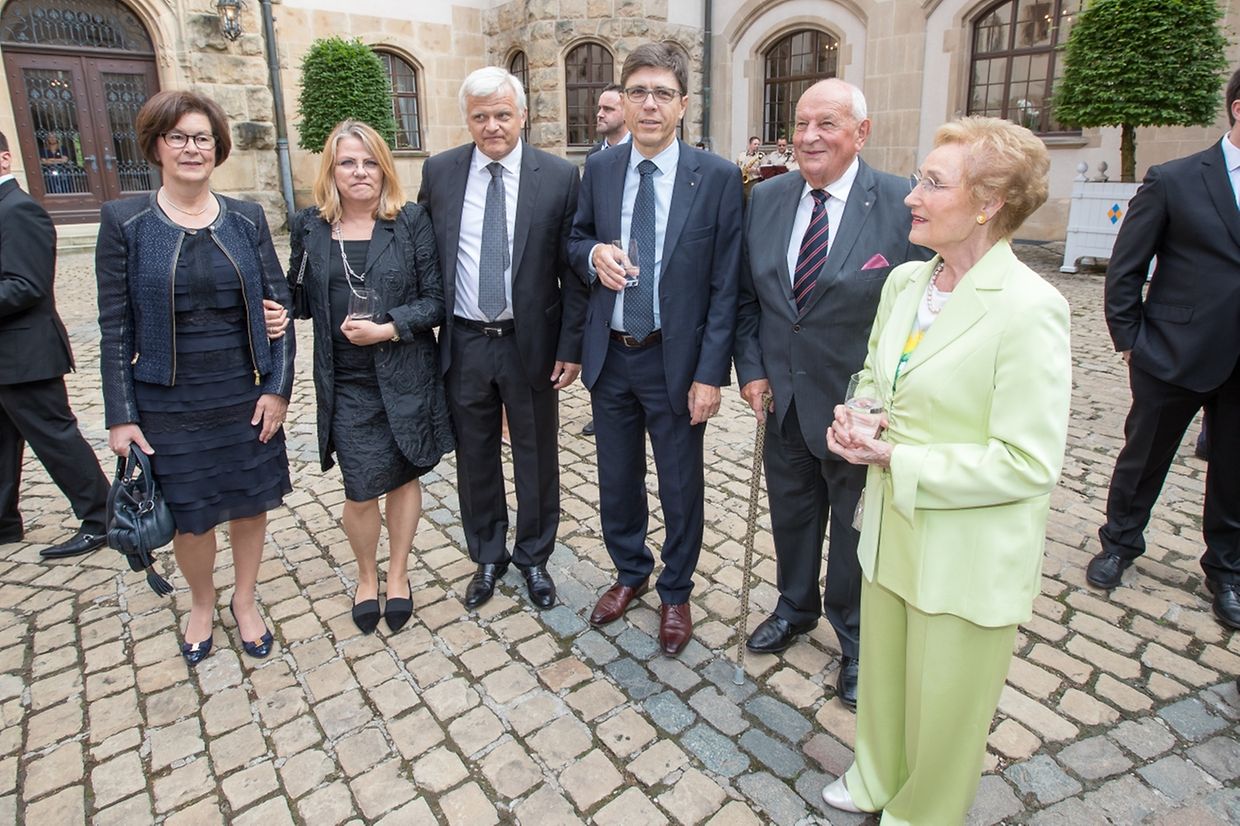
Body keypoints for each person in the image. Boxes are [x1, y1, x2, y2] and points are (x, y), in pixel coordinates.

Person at [820, 116, 1070, 821]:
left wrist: (898, 456)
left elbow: (1028, 463)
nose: (911, 195)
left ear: (989, 202)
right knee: (889, 677)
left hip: (967, 548)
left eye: (933, 182)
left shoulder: (1030, 309)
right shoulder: (906, 282)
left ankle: (922, 811)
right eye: (918, 179)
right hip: (891, 527)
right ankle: (874, 776)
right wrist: (858, 414)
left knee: (947, 702)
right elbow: (876, 370)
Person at [733, 79, 928, 708]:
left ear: (861, 133)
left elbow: (929, 309)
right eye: (802, 123)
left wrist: (890, 401)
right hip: (782, 401)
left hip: (859, 414)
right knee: (791, 515)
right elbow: (747, 298)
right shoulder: (767, 198)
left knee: (851, 531)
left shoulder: (901, 204)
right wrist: (752, 368)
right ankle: (794, 607)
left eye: (828, 124)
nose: (810, 137)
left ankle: (856, 639)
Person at [96, 90, 294, 666]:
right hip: (168, 401)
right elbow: (115, 329)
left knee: (249, 505)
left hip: (242, 391)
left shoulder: (247, 217)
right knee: (191, 515)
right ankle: (202, 603)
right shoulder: (124, 222)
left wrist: (277, 388)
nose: (191, 148)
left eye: (202, 138)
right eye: (178, 137)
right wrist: (121, 415)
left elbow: (278, 311)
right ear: (156, 146)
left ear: (217, 147)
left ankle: (246, 600)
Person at [569, 42, 742, 656]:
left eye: (662, 93)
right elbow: (574, 239)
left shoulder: (716, 177)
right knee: (617, 478)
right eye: (638, 91)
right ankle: (629, 572)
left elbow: (726, 285)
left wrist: (709, 374)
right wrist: (592, 255)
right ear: (623, 99)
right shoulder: (603, 168)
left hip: (675, 356)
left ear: (683, 105)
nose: (649, 104)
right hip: (611, 354)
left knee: (679, 483)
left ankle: (675, 591)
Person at [418, 67, 585, 611]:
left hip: (529, 343)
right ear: (468, 119)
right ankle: (487, 554)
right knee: (475, 453)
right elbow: (420, 253)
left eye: (502, 114)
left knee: (537, 454)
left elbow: (572, 271)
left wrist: (570, 346)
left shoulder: (558, 177)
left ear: (522, 116)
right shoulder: (440, 172)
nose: (492, 126)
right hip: (464, 341)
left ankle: (534, 556)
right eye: (481, 116)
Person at [1088, 68, 1240, 629]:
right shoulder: (1174, 179)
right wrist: (1130, 341)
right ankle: (1120, 542)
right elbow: (1126, 267)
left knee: (1235, 470)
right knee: (1145, 453)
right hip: (1173, 349)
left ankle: (1226, 568)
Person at [290, 120, 454, 635]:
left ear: (384, 166)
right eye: (347, 163)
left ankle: (400, 573)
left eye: (368, 162)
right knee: (360, 488)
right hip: (346, 380)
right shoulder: (310, 227)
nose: (359, 172)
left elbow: (436, 301)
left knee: (404, 476)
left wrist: (387, 329)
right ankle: (366, 575)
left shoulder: (410, 221)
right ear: (331, 172)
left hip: (405, 372)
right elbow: (297, 298)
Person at [0, 130, 111, 558]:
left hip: (25, 353)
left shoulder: (19, 210)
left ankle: (102, 516)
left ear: (6, 158)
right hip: (10, 354)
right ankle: (5, 522)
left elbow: (24, 285)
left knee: (55, 438)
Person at [581, 83, 633, 439]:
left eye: (608, 109)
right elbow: (580, 229)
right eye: (598, 108)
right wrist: (593, 252)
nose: (599, 114)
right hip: (608, 302)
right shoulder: (594, 161)